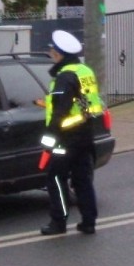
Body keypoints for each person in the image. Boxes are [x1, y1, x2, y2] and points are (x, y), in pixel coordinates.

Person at [39, 30, 105, 236]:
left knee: (56, 178)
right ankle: (89, 222)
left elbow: (60, 110)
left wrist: (50, 138)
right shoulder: (84, 71)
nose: (50, 54)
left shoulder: (65, 77)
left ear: (59, 54)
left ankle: (58, 222)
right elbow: (84, 103)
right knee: (82, 179)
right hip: (85, 134)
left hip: (66, 139)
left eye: (52, 51)